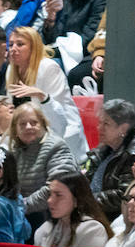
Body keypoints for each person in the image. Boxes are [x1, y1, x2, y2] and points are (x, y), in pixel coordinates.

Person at [6, 26, 87, 157]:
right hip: (27, 134)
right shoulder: (11, 70)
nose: (13, 49)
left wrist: (41, 95)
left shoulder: (48, 68)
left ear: (33, 47)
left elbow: (60, 115)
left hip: (60, 134)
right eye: (11, 45)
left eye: (20, 44)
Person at [8, 102, 77, 222]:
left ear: (43, 124)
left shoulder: (56, 146)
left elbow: (55, 188)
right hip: (24, 214)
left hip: (50, 216)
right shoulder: (15, 150)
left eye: (34, 123)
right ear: (16, 130)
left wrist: (21, 206)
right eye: (22, 124)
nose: (28, 127)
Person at [86, 99, 135, 220]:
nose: (99, 128)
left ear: (123, 128)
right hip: (94, 212)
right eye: (100, 123)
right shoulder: (105, 149)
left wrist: (86, 201)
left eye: (106, 124)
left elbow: (125, 195)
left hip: (116, 219)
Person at [41, 0, 106, 66]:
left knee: (43, 62)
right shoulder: (70, 1)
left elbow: (90, 37)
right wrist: (51, 17)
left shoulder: (101, 0)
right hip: (64, 50)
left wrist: (57, 51)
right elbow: (54, 37)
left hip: (84, 55)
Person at [34, 171, 113, 247]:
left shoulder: (92, 230)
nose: (50, 200)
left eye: (58, 195)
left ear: (76, 200)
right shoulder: (46, 227)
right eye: (50, 194)